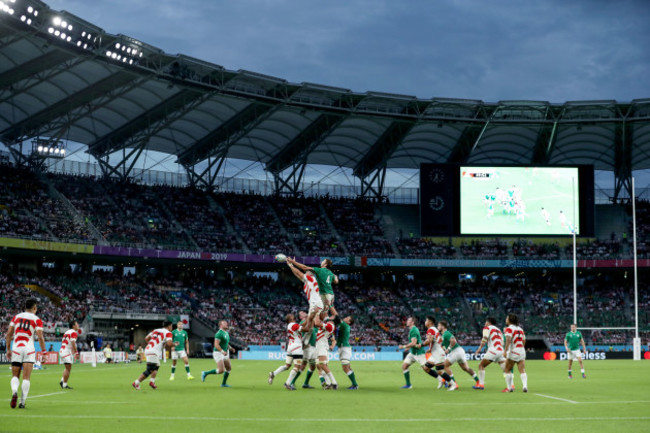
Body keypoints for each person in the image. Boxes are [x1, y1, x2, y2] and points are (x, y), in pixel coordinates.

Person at [5, 298, 46, 409]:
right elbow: (40, 337)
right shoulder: (37, 319)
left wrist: (8, 349)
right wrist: (44, 351)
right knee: (26, 377)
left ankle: (14, 392)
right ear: (34, 308)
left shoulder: (16, 317)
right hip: (29, 349)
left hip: (17, 347)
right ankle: (22, 402)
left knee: (15, 375)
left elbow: (9, 334)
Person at [268, 313, 309, 390]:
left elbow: (302, 324)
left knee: (287, 366)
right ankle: (287, 383)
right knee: (297, 366)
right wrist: (310, 325)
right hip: (297, 347)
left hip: (290, 346)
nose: (293, 315)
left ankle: (273, 373)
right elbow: (305, 329)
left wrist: (308, 319)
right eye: (291, 315)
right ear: (290, 319)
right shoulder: (294, 325)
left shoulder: (290, 325)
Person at [438, 320, 480, 391]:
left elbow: (453, 340)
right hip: (460, 351)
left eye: (438, 325)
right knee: (466, 368)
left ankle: (454, 383)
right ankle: (478, 382)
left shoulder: (446, 333)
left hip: (456, 351)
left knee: (445, 365)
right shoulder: (444, 335)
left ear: (442, 326)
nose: (437, 327)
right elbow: (442, 346)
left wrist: (448, 349)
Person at [132, 321, 174, 390]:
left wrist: (152, 346)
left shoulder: (156, 330)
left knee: (156, 366)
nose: (171, 327)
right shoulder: (168, 333)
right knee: (149, 370)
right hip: (153, 352)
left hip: (149, 349)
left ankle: (152, 382)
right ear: (169, 326)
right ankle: (136, 382)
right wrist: (175, 344)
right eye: (171, 326)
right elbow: (169, 344)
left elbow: (146, 338)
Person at [286, 260, 324, 330]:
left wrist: (291, 265)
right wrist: (291, 266)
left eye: (306, 272)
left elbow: (299, 273)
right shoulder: (308, 281)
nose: (305, 273)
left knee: (315, 323)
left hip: (315, 303)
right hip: (314, 303)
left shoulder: (311, 278)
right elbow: (297, 274)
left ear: (311, 274)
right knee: (309, 325)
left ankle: (330, 330)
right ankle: (298, 331)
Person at [473, 317, 506, 390]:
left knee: (481, 365)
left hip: (493, 350)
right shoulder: (499, 331)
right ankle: (511, 386)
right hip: (501, 350)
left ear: (488, 322)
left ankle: (481, 385)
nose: (485, 323)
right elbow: (502, 341)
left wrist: (479, 349)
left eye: (486, 322)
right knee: (506, 369)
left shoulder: (487, 328)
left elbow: (485, 338)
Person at [398, 317, 430, 389]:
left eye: (409, 320)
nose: (407, 321)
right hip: (413, 353)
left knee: (427, 369)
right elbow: (414, 343)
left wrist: (403, 346)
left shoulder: (413, 330)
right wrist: (408, 347)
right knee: (404, 366)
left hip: (419, 353)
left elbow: (413, 343)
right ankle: (408, 385)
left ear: (412, 322)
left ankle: (443, 380)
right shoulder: (412, 329)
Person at [421, 316, 452, 389]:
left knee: (439, 370)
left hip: (438, 353)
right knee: (426, 368)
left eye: (426, 320)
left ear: (430, 322)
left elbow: (429, 340)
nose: (425, 322)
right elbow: (439, 341)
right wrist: (430, 349)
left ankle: (451, 383)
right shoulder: (435, 329)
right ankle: (441, 380)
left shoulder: (431, 329)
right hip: (436, 352)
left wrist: (421, 345)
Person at [201, 320, 233, 387]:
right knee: (221, 370)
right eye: (224, 323)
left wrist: (230, 348)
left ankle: (223, 383)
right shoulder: (219, 333)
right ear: (221, 325)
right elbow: (216, 345)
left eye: (226, 323)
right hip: (218, 353)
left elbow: (226, 343)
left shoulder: (226, 333)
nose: (227, 324)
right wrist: (222, 351)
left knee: (229, 368)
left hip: (225, 352)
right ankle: (205, 373)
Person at [331, 315, 359, 390]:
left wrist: (330, 305)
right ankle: (354, 384)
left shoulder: (345, 325)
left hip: (345, 348)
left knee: (345, 368)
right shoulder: (341, 325)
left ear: (349, 322)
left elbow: (336, 316)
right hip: (341, 347)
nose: (345, 317)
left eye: (347, 318)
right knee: (347, 367)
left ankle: (355, 384)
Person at [503, 313, 528, 393]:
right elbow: (524, 340)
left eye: (507, 318)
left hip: (513, 351)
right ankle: (524, 386)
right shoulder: (520, 329)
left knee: (507, 369)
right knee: (522, 370)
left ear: (510, 320)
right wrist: (521, 348)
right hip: (521, 350)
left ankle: (509, 388)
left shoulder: (509, 329)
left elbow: (508, 340)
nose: (506, 320)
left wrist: (505, 350)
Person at [315, 320, 337, 390]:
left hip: (322, 347)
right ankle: (328, 384)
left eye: (330, 322)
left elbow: (334, 340)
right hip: (317, 347)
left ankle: (334, 383)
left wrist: (332, 346)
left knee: (323, 365)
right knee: (319, 366)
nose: (327, 323)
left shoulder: (329, 328)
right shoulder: (322, 329)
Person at [59, 320, 80, 390]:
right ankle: (64, 384)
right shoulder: (73, 332)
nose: (78, 325)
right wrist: (76, 353)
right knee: (68, 369)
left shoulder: (67, 332)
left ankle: (62, 380)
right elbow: (73, 342)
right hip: (66, 351)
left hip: (62, 350)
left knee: (67, 368)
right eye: (77, 324)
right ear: (73, 326)